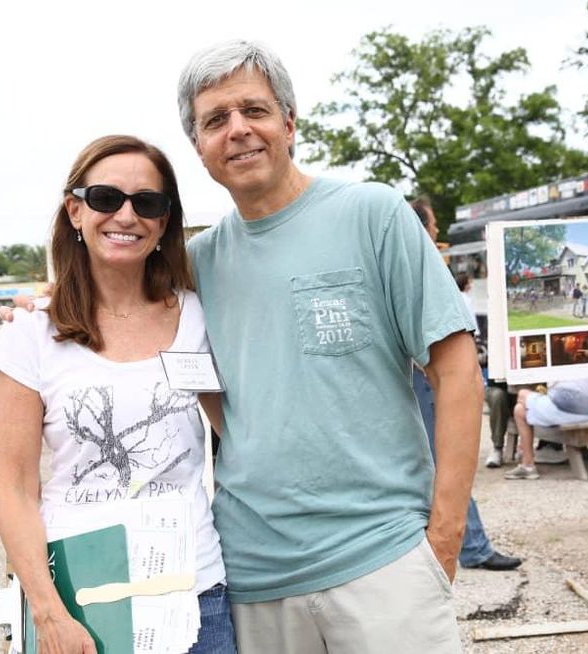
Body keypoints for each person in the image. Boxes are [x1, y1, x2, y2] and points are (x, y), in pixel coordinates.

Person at [178, 40, 482, 652]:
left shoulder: (373, 213)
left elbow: (455, 371)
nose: (237, 130)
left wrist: (443, 540)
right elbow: (215, 397)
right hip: (254, 574)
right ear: (199, 148)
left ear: (289, 123)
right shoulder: (196, 264)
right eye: (215, 120)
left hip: (385, 559)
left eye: (254, 110)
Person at [0, 135, 235, 654]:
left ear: (164, 221)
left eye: (147, 202)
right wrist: (47, 611)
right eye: (106, 198)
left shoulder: (197, 315)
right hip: (81, 595)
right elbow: (13, 489)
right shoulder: (31, 332)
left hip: (194, 595)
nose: (126, 215)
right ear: (75, 211)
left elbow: (235, 431)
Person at [410, 200, 520, 572]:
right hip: (426, 374)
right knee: (449, 456)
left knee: (437, 457)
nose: (437, 231)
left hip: (421, 374)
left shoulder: (412, 263)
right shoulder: (418, 266)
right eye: (434, 224)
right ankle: (471, 545)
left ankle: (465, 542)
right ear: (421, 227)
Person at [505, 378, 588, 480]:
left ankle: (528, 464)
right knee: (521, 409)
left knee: (521, 397)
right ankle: (526, 459)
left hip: (566, 406)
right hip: (587, 410)